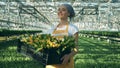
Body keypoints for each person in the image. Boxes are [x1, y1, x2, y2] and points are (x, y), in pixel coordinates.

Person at [46, 3, 79, 68]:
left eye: (63, 10)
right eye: (59, 10)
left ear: (68, 14)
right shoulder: (52, 28)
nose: (60, 11)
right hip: (51, 63)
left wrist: (68, 56)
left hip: (65, 62)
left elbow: (76, 48)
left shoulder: (73, 28)